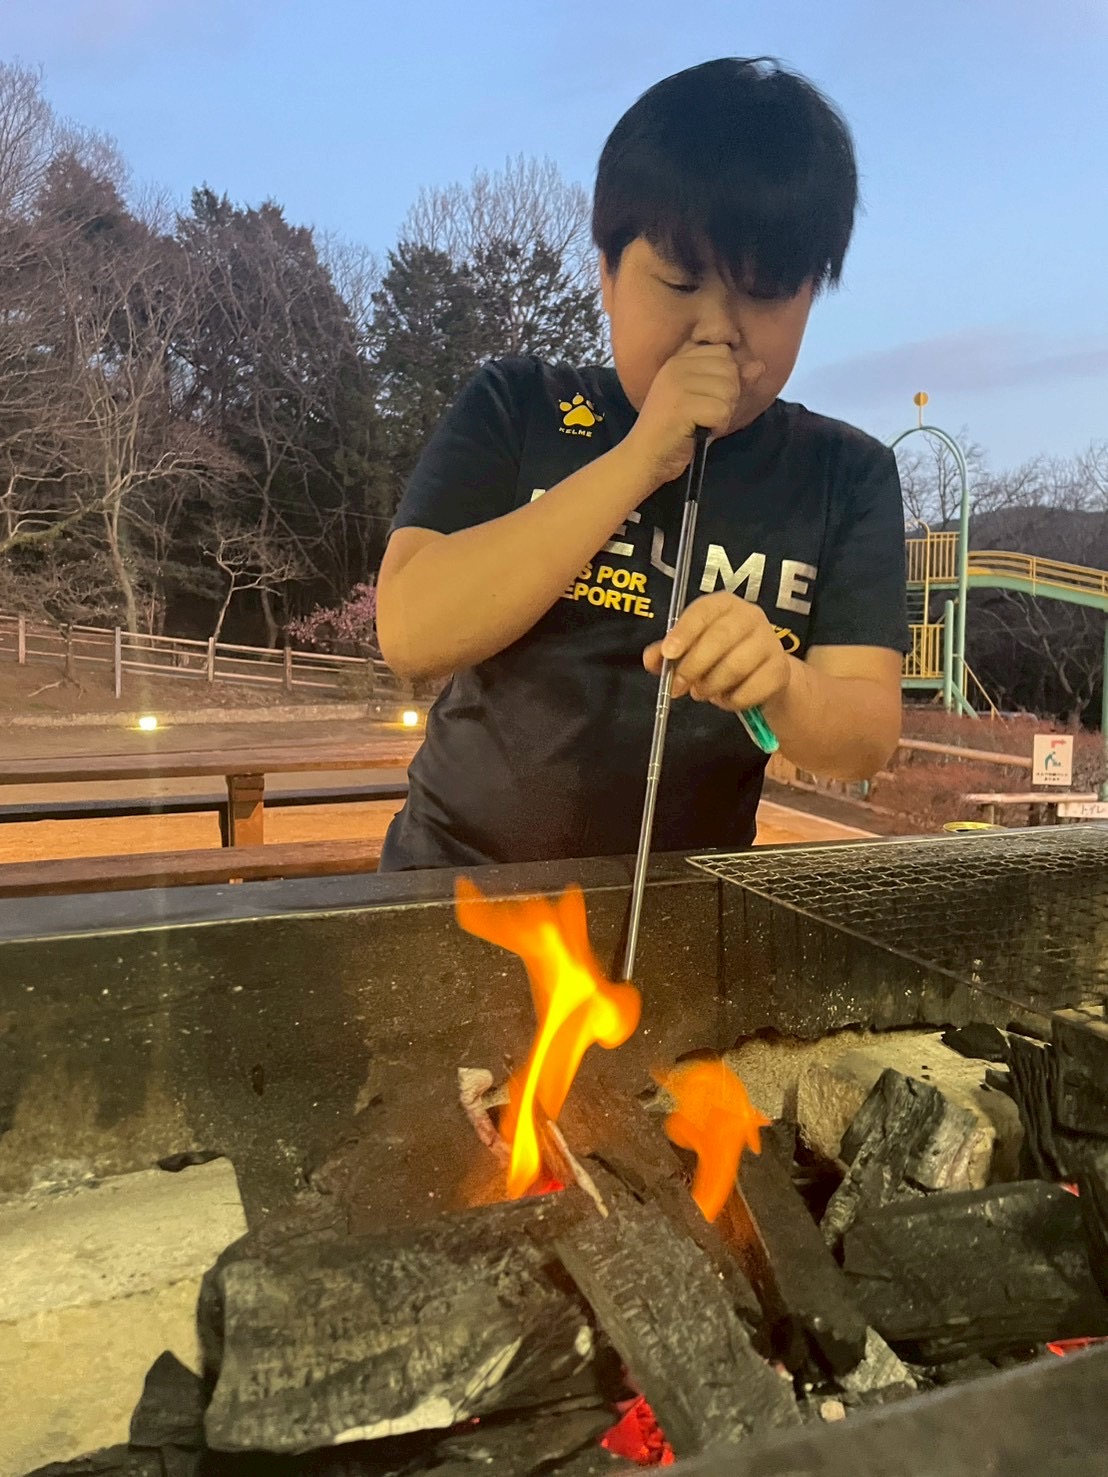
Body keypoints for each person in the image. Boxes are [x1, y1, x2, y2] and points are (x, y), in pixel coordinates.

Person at [375, 57, 907, 872]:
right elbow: (411, 629)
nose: (718, 329)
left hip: (682, 907)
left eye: (765, 293)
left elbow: (865, 737)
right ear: (609, 275)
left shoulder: (846, 476)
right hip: (454, 879)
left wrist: (782, 684)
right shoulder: (519, 405)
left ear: (812, 295)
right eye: (681, 283)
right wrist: (637, 459)